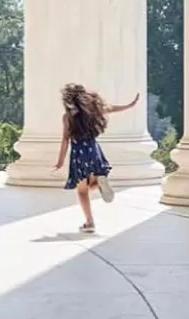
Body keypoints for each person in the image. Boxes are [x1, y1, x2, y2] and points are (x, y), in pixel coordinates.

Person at [53, 83, 140, 234]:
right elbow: (111, 108)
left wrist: (60, 161)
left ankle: (90, 222)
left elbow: (65, 140)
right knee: (93, 180)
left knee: (82, 191)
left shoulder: (67, 118)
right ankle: (100, 180)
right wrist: (129, 105)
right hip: (94, 150)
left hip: (78, 154)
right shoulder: (92, 112)